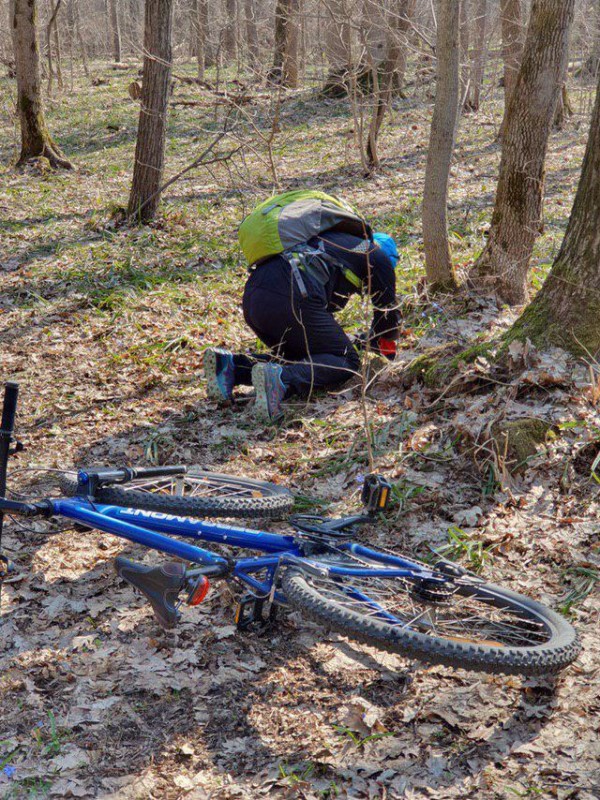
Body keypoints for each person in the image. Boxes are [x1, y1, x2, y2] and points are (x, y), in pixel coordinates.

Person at [204, 194, 400, 421]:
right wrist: (381, 344)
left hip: (254, 298)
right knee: (347, 361)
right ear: (389, 256)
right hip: (291, 294)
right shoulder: (375, 254)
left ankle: (230, 367)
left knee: (305, 357)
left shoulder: (324, 242)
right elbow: (387, 316)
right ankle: (281, 380)